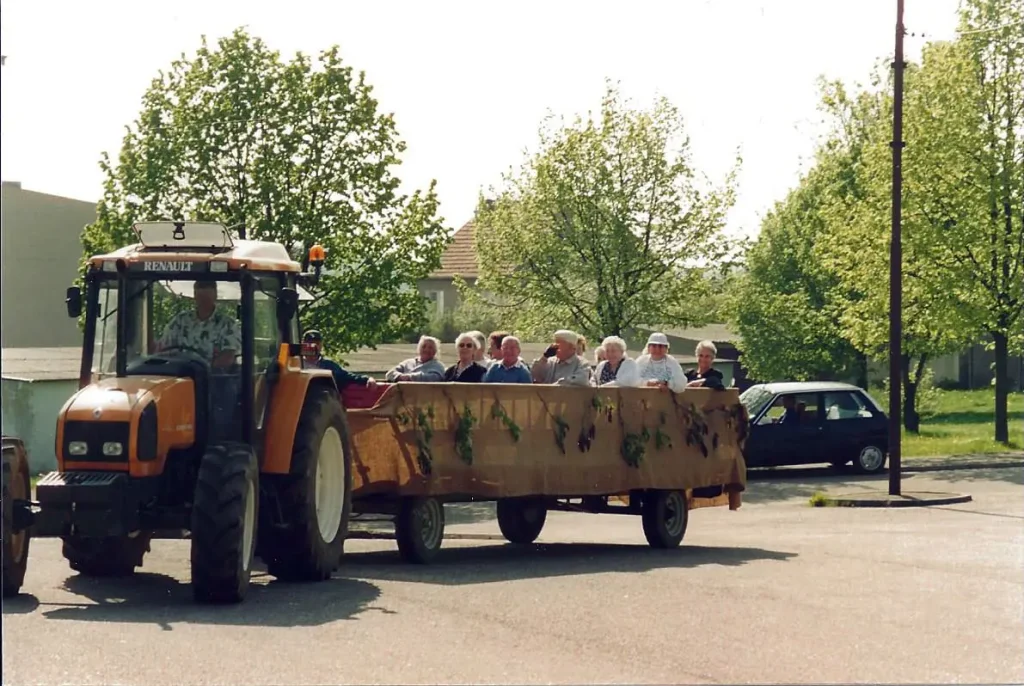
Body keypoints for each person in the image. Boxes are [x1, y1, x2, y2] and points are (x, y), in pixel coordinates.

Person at [157, 279, 240, 369]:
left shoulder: (228, 325)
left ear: (215, 296)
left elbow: (228, 357)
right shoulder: (180, 321)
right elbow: (163, 348)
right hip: (180, 375)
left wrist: (202, 369)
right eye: (200, 297)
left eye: (207, 298)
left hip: (212, 379)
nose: (203, 301)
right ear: (195, 296)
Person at [301, 330, 376, 389]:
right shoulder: (293, 364)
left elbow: (348, 377)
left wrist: (367, 379)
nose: (313, 346)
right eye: (309, 342)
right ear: (303, 343)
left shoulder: (329, 366)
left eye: (316, 343)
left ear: (321, 345)